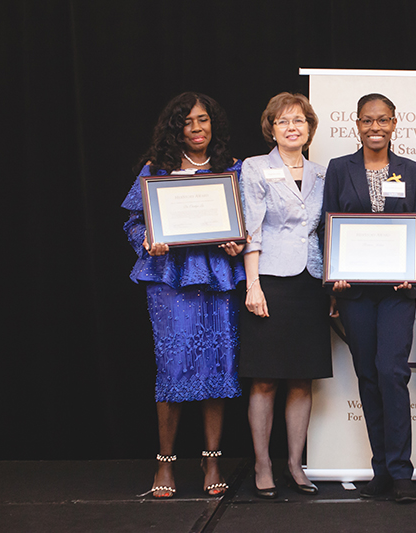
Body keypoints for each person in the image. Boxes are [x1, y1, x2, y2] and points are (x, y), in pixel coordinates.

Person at [122, 92, 245, 498]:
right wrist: (148, 242)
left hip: (217, 278)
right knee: (173, 368)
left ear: (214, 124)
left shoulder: (233, 169)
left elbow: (247, 223)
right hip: (169, 279)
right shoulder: (156, 170)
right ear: (176, 128)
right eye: (188, 122)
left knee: (216, 365)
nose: (197, 128)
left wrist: (237, 244)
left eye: (203, 120)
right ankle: (166, 463)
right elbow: (133, 222)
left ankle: (212, 460)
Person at [322, 93, 416, 503]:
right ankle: (381, 470)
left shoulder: (411, 171)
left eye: (383, 120)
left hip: (398, 293)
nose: (375, 128)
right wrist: (335, 279)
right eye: (367, 121)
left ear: (395, 123)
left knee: (392, 372)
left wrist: (413, 270)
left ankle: (402, 472)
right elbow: (328, 224)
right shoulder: (339, 169)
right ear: (357, 124)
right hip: (355, 293)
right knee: (368, 375)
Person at [238, 92, 332, 499]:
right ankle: (263, 463)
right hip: (271, 279)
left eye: (299, 121)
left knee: (301, 378)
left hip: (311, 280)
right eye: (283, 121)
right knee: (264, 379)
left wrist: (330, 283)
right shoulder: (256, 168)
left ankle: (295, 463)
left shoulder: (322, 173)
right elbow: (252, 230)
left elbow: (328, 231)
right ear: (271, 128)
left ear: (310, 129)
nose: (292, 127)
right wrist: (253, 284)